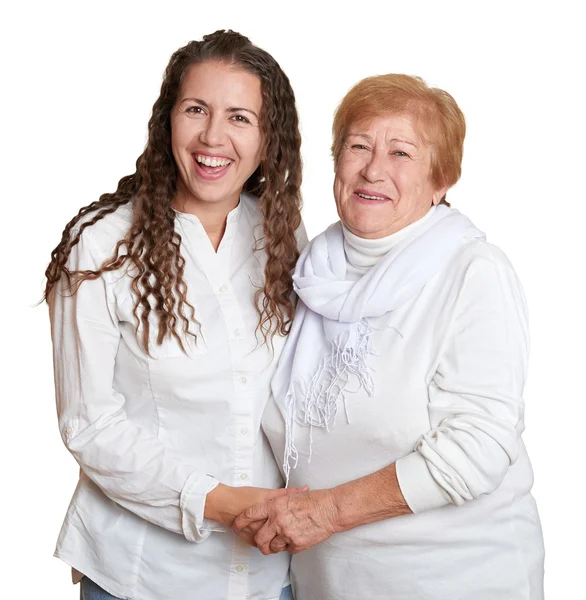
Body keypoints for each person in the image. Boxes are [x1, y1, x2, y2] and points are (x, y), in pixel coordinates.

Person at [234, 74, 545, 600]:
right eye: (358, 146)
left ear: (441, 179)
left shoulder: (472, 271)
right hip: (328, 583)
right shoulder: (311, 268)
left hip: (453, 581)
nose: (373, 169)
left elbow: (478, 446)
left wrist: (326, 512)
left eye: (401, 152)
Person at [45, 30, 307, 600]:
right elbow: (89, 424)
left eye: (240, 117)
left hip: (266, 575)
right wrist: (218, 501)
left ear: (268, 140)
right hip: (140, 576)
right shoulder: (100, 247)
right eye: (196, 110)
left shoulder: (281, 236)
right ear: (168, 120)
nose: (214, 136)